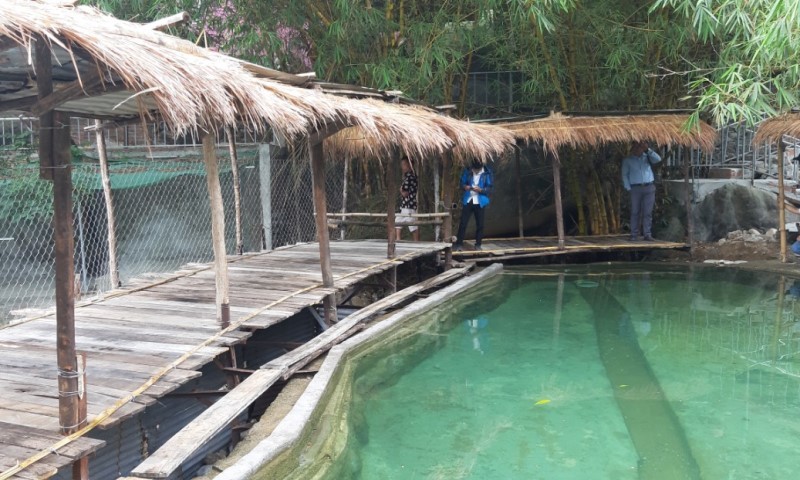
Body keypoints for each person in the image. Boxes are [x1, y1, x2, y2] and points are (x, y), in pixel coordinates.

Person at [622, 141, 662, 241]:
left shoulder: (647, 157)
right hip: (635, 188)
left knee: (647, 212)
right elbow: (624, 175)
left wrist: (648, 150)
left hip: (649, 186)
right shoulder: (628, 160)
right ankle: (634, 234)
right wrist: (628, 188)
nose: (637, 149)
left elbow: (658, 159)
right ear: (632, 148)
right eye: (635, 147)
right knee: (635, 211)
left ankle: (647, 234)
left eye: (639, 147)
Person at [454, 158, 493, 251]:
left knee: (480, 224)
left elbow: (490, 188)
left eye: (476, 170)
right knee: (463, 223)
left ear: (481, 167)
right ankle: (459, 244)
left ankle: (478, 245)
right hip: (468, 200)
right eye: (473, 169)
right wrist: (465, 187)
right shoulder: (468, 171)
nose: (474, 171)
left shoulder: (487, 173)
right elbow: (462, 183)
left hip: (480, 201)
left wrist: (481, 190)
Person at [396, 157, 419, 241]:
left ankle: (416, 242)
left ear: (410, 165)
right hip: (405, 205)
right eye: (402, 165)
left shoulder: (410, 177)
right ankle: (398, 239)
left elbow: (405, 193)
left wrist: (400, 190)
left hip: (409, 205)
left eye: (404, 164)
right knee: (398, 221)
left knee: (412, 225)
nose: (403, 167)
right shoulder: (408, 176)